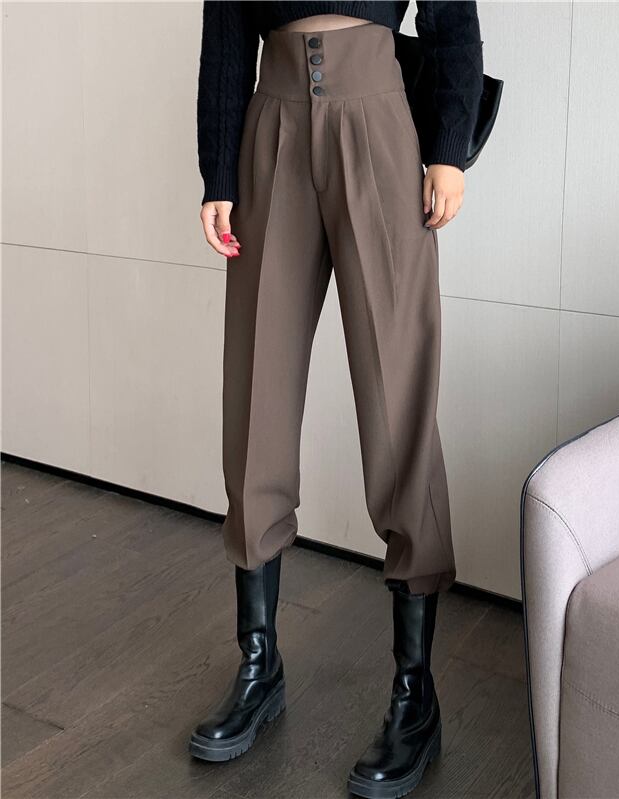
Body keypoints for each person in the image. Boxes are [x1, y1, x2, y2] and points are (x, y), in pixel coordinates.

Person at [191, 3, 483, 797]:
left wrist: (448, 148)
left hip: (378, 120)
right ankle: (259, 662)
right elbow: (226, 37)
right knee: (256, 394)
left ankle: (415, 692)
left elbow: (452, 20)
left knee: (399, 398)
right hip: (271, 122)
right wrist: (218, 170)